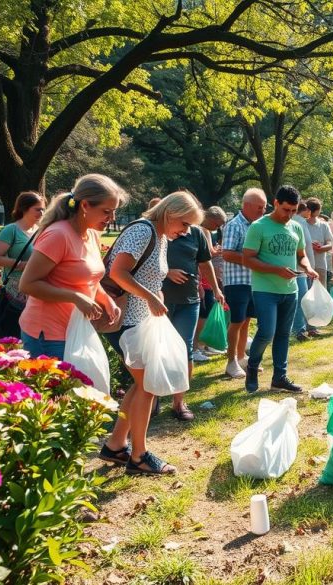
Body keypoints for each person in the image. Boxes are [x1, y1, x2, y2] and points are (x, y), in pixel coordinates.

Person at [100, 192, 204, 476]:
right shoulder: (142, 231)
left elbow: (143, 274)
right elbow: (119, 273)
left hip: (138, 320)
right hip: (124, 320)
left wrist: (153, 292)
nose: (185, 231)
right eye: (184, 224)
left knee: (140, 385)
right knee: (146, 385)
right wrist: (151, 297)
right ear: (169, 212)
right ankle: (139, 456)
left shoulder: (159, 235)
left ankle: (116, 444)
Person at [18, 175, 127, 359]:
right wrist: (76, 297)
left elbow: (87, 278)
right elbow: (27, 284)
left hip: (75, 329)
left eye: (114, 211)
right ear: (85, 205)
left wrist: (106, 300)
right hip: (48, 336)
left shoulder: (92, 234)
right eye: (107, 211)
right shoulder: (58, 234)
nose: (112, 218)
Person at [242, 185, 316, 394]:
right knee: (266, 332)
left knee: (284, 334)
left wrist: (308, 267)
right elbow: (247, 259)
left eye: (293, 211)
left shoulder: (296, 227)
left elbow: (301, 254)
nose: (289, 215)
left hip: (290, 290)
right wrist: (277, 270)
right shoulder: (258, 227)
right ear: (275, 203)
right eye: (286, 210)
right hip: (264, 289)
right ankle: (253, 367)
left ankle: (279, 377)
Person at [162, 196, 225, 421]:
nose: (186, 228)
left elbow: (204, 262)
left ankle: (179, 402)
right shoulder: (159, 230)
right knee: (157, 350)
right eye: (185, 222)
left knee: (184, 349)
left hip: (189, 300)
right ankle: (151, 398)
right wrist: (167, 272)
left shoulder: (196, 233)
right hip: (159, 301)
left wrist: (216, 289)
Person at [221, 189, 267, 378]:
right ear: (246, 205)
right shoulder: (235, 225)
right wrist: (251, 260)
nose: (263, 211)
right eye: (259, 207)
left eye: (264, 207)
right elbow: (227, 253)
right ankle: (231, 361)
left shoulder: (256, 226)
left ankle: (241, 356)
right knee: (237, 320)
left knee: (247, 319)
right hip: (236, 281)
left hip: (252, 280)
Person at [0, 192, 46, 319]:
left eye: (43, 209)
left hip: (36, 287)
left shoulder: (41, 230)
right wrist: (21, 265)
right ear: (24, 208)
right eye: (37, 209)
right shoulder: (11, 230)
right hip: (15, 289)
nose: (42, 213)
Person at [193, 206, 228, 361]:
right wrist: (217, 250)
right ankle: (197, 347)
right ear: (210, 218)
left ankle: (203, 345)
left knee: (205, 312)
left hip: (206, 279)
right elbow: (207, 254)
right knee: (203, 314)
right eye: (217, 223)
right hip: (203, 279)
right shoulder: (203, 230)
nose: (218, 227)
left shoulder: (203, 230)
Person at [291, 201, 317, 341]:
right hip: (298, 269)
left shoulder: (302, 223)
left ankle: (306, 328)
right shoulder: (297, 223)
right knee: (301, 300)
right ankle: (299, 331)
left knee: (304, 299)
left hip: (304, 269)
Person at [304, 198, 333, 317]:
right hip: (306, 266)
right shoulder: (302, 224)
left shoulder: (323, 225)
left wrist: (321, 248)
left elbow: (330, 243)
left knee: (321, 293)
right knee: (307, 294)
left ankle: (320, 318)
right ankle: (309, 320)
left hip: (321, 264)